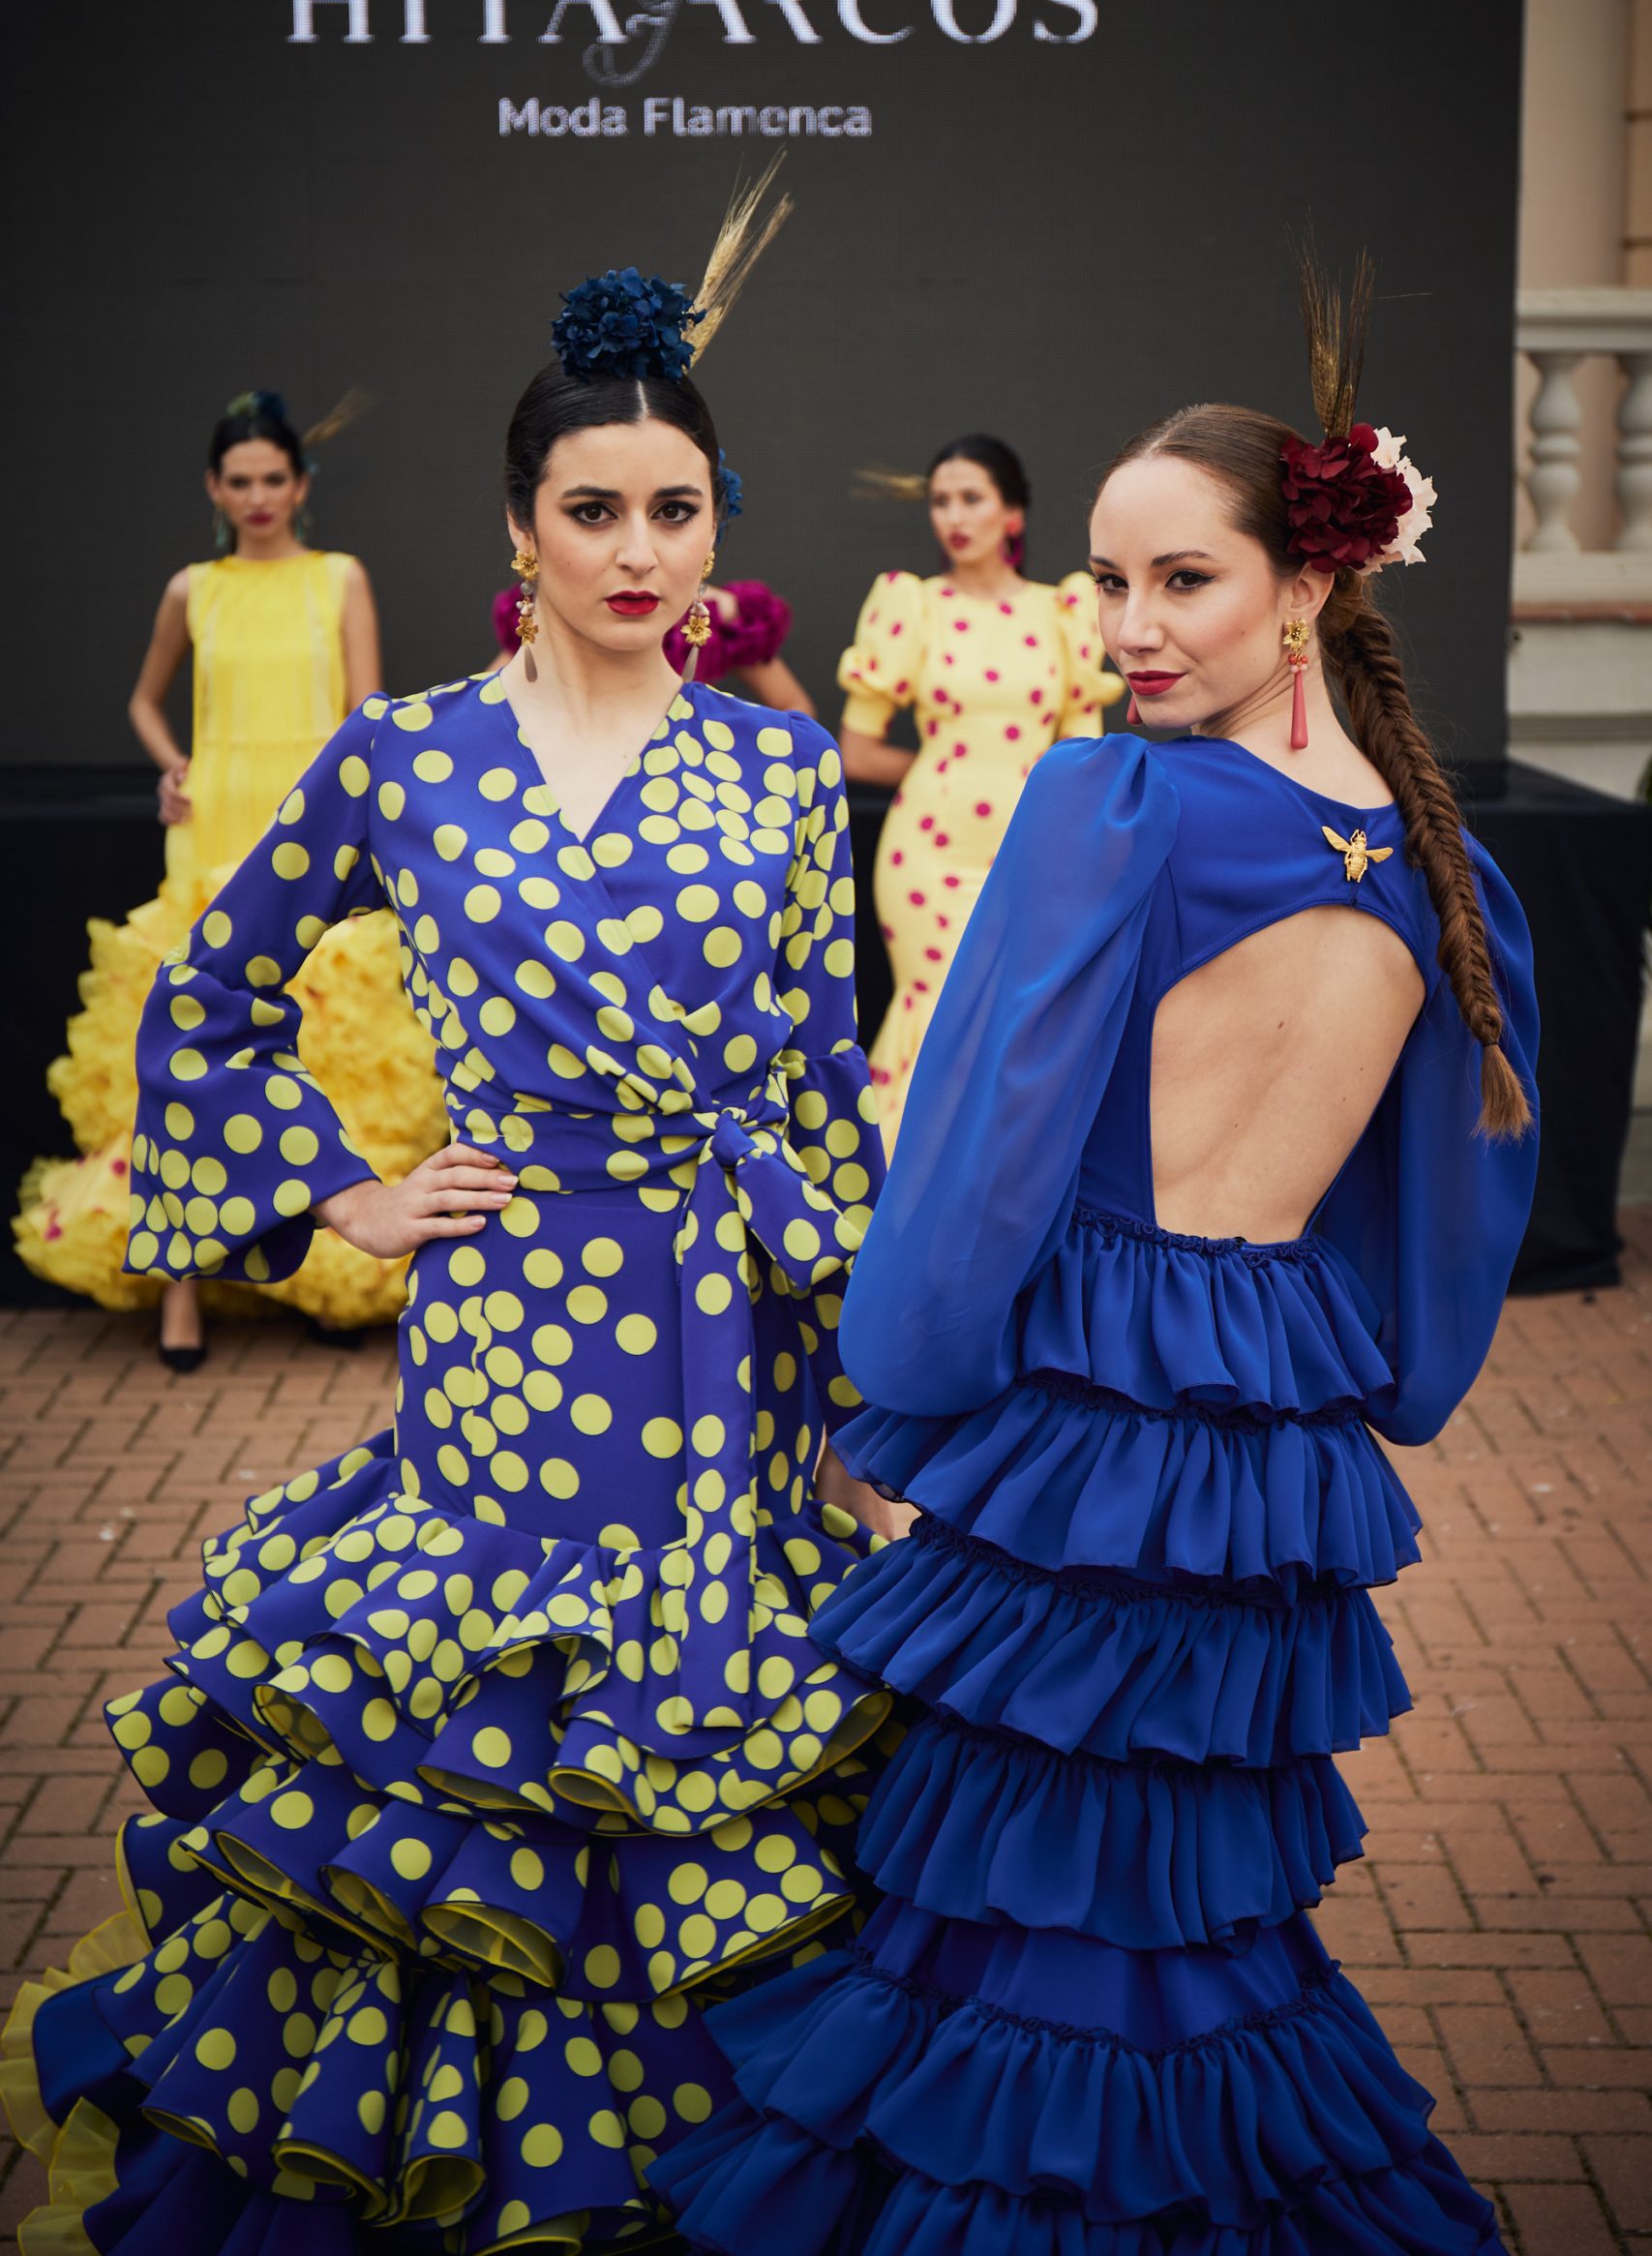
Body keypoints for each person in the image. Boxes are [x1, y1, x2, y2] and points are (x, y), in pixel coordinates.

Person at [1, 206, 904, 2253]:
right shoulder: (404, 755)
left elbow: (809, 1085)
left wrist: (856, 1388)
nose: (638, 550)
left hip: (720, 1332)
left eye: (676, 507)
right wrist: (343, 1187)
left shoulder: (775, 771)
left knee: (711, 1718)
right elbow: (206, 984)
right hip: (503, 1325)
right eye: (594, 507)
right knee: (495, 1737)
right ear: (520, 523)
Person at [656, 272, 1538, 2253]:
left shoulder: (1106, 798)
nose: (1127, 628)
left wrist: (899, 1385)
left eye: (1182, 581)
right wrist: (1369, 1372)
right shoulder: (1439, 860)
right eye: (1104, 581)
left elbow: (981, 1142)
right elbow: (1461, 1194)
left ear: (1302, 586)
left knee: (1021, 1880)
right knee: (1194, 1888)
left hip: (1077, 1396)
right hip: (1267, 1432)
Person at [14, 390, 445, 1363]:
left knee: (330, 1049)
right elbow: (141, 698)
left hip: (312, 832)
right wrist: (173, 764)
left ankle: (331, 1280)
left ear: (301, 484)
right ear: (215, 488)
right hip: (212, 837)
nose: (258, 497)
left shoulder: (339, 578)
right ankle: (181, 1293)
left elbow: (367, 710)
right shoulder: (191, 589)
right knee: (185, 1059)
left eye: (274, 479)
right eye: (240, 481)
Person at [838, 437, 1124, 1148]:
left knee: (1017, 1017)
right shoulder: (913, 606)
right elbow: (855, 751)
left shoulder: (1063, 611)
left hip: (1031, 847)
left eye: (971, 498)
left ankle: (993, 1207)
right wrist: (951, 768)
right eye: (940, 501)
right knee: (932, 1008)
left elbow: (1082, 756)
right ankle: (894, 1199)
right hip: (926, 854)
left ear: (1012, 511)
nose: (952, 516)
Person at [492, 566, 817, 716]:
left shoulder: (720, 614)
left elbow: (794, 708)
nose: (639, 556)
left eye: (671, 514)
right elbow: (491, 700)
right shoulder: (555, 610)